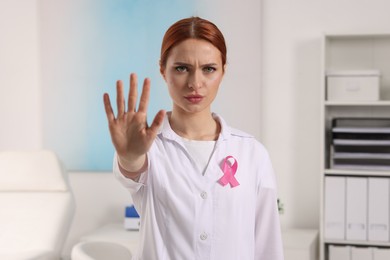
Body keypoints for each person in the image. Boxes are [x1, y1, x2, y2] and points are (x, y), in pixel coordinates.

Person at [103, 16, 284, 260]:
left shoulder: (253, 153)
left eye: (208, 69)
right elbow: (132, 169)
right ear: (163, 71)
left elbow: (267, 247)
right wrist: (130, 156)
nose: (195, 83)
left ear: (223, 71)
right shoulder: (148, 148)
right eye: (181, 68)